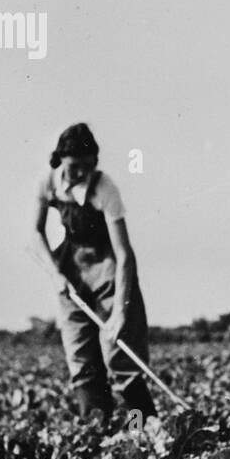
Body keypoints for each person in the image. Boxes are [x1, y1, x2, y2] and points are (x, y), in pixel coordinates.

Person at [33, 123, 155, 423]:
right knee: (82, 360)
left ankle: (144, 430)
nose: (81, 174)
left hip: (109, 274)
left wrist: (120, 314)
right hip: (72, 273)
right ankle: (96, 437)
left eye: (88, 166)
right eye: (75, 166)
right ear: (60, 160)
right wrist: (54, 274)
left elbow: (124, 253)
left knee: (122, 359)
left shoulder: (105, 188)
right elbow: (35, 234)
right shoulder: (48, 182)